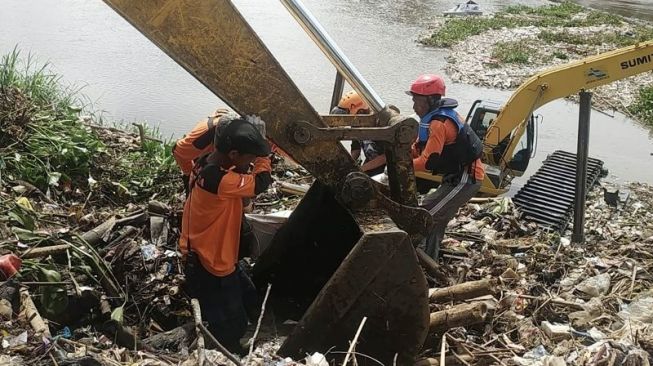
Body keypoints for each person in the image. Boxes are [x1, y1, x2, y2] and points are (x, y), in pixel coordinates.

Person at [180, 118, 273, 354]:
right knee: (232, 324)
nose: (252, 161)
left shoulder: (205, 164)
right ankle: (229, 351)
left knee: (250, 296)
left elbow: (244, 196)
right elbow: (261, 183)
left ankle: (242, 330)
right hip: (211, 263)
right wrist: (265, 156)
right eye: (250, 156)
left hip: (213, 254)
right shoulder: (221, 181)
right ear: (233, 153)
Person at [406, 74, 485, 259]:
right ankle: (428, 262)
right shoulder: (433, 118)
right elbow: (419, 150)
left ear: (431, 100)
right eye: (413, 101)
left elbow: (427, 162)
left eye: (418, 101)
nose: (414, 107)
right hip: (455, 177)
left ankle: (411, 258)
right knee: (435, 222)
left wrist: (401, 164)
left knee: (423, 216)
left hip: (466, 178)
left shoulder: (439, 123)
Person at [331, 90, 386, 176]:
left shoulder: (380, 124)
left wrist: (361, 169)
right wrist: (349, 164)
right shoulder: (356, 124)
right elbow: (356, 148)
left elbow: (385, 157)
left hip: (386, 170)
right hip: (370, 165)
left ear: (360, 112)